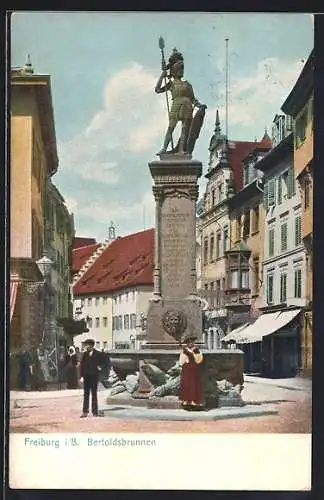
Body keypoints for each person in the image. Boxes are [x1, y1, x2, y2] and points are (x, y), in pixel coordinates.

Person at [155, 48, 206, 155]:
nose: (181, 71)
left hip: (187, 105)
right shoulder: (172, 84)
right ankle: (164, 148)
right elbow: (158, 90)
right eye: (178, 69)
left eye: (182, 69)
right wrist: (162, 76)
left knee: (185, 129)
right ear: (173, 71)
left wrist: (200, 106)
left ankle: (181, 149)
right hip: (176, 104)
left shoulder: (187, 85)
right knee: (171, 127)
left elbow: (193, 100)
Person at [179, 335, 204, 410]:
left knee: (195, 385)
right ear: (187, 343)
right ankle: (187, 402)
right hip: (187, 370)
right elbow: (181, 361)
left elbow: (200, 360)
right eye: (188, 342)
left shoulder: (197, 350)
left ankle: (195, 403)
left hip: (195, 370)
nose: (190, 343)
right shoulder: (184, 351)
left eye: (192, 342)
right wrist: (186, 358)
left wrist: (195, 354)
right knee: (187, 385)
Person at [79, 339, 104, 417]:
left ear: (92, 345)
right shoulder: (84, 354)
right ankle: (85, 412)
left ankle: (95, 412)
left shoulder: (98, 354)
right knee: (86, 394)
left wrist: (100, 368)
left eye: (88, 345)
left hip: (94, 376)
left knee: (94, 394)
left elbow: (103, 363)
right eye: (86, 345)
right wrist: (81, 376)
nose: (86, 346)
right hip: (86, 377)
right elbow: (82, 366)